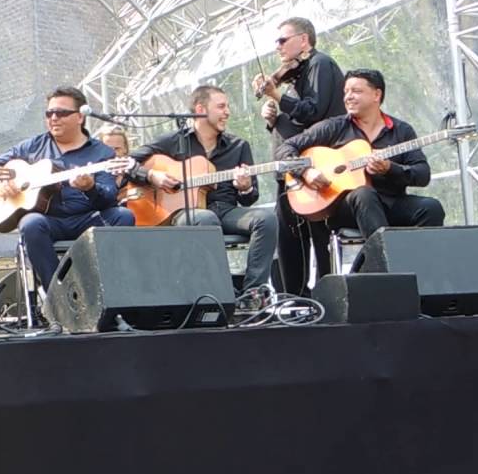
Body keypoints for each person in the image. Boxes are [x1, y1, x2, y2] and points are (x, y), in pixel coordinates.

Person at [123, 85, 278, 293]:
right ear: (200, 109)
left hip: (226, 210)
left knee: (267, 219)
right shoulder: (174, 142)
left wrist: (245, 188)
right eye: (221, 107)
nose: (227, 112)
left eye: (228, 106)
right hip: (183, 213)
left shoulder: (239, 146)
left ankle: (253, 293)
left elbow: (250, 198)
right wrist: (151, 176)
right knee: (205, 218)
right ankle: (221, 291)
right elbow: (126, 163)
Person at [274, 68, 445, 255]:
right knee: (364, 194)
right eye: (346, 92)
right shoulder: (335, 127)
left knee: (431, 208)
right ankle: (388, 263)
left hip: (391, 201)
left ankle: (421, 265)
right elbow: (285, 148)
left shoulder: (401, 131)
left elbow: (422, 174)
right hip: (346, 207)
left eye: (356, 91)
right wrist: (306, 171)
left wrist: (390, 168)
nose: (348, 97)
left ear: (376, 95)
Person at [0, 85, 134, 291]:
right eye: (49, 113)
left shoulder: (102, 153)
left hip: (86, 218)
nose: (54, 118)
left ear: (80, 117)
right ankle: (58, 294)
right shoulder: (32, 146)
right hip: (49, 220)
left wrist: (90, 187)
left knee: (123, 216)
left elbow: (109, 197)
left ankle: (103, 288)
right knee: (30, 223)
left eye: (61, 113)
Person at [253, 17, 345, 294]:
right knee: (289, 236)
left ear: (304, 40)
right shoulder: (295, 76)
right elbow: (294, 119)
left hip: (315, 165)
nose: (278, 47)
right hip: (292, 170)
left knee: (318, 234)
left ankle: (325, 295)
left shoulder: (320, 64)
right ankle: (293, 296)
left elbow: (313, 111)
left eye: (283, 40)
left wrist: (279, 97)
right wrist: (273, 118)